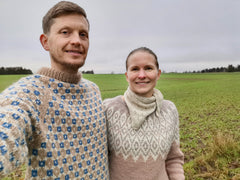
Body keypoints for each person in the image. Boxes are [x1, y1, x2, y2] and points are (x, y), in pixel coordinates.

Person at [0, 1, 109, 179]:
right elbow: (8, 126)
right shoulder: (31, 92)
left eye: (83, 34)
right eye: (65, 32)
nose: (76, 40)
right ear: (46, 42)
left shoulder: (93, 90)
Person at [104, 47, 185, 180]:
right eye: (135, 69)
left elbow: (174, 158)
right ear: (127, 75)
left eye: (148, 68)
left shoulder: (169, 110)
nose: (142, 75)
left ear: (158, 74)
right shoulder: (109, 109)